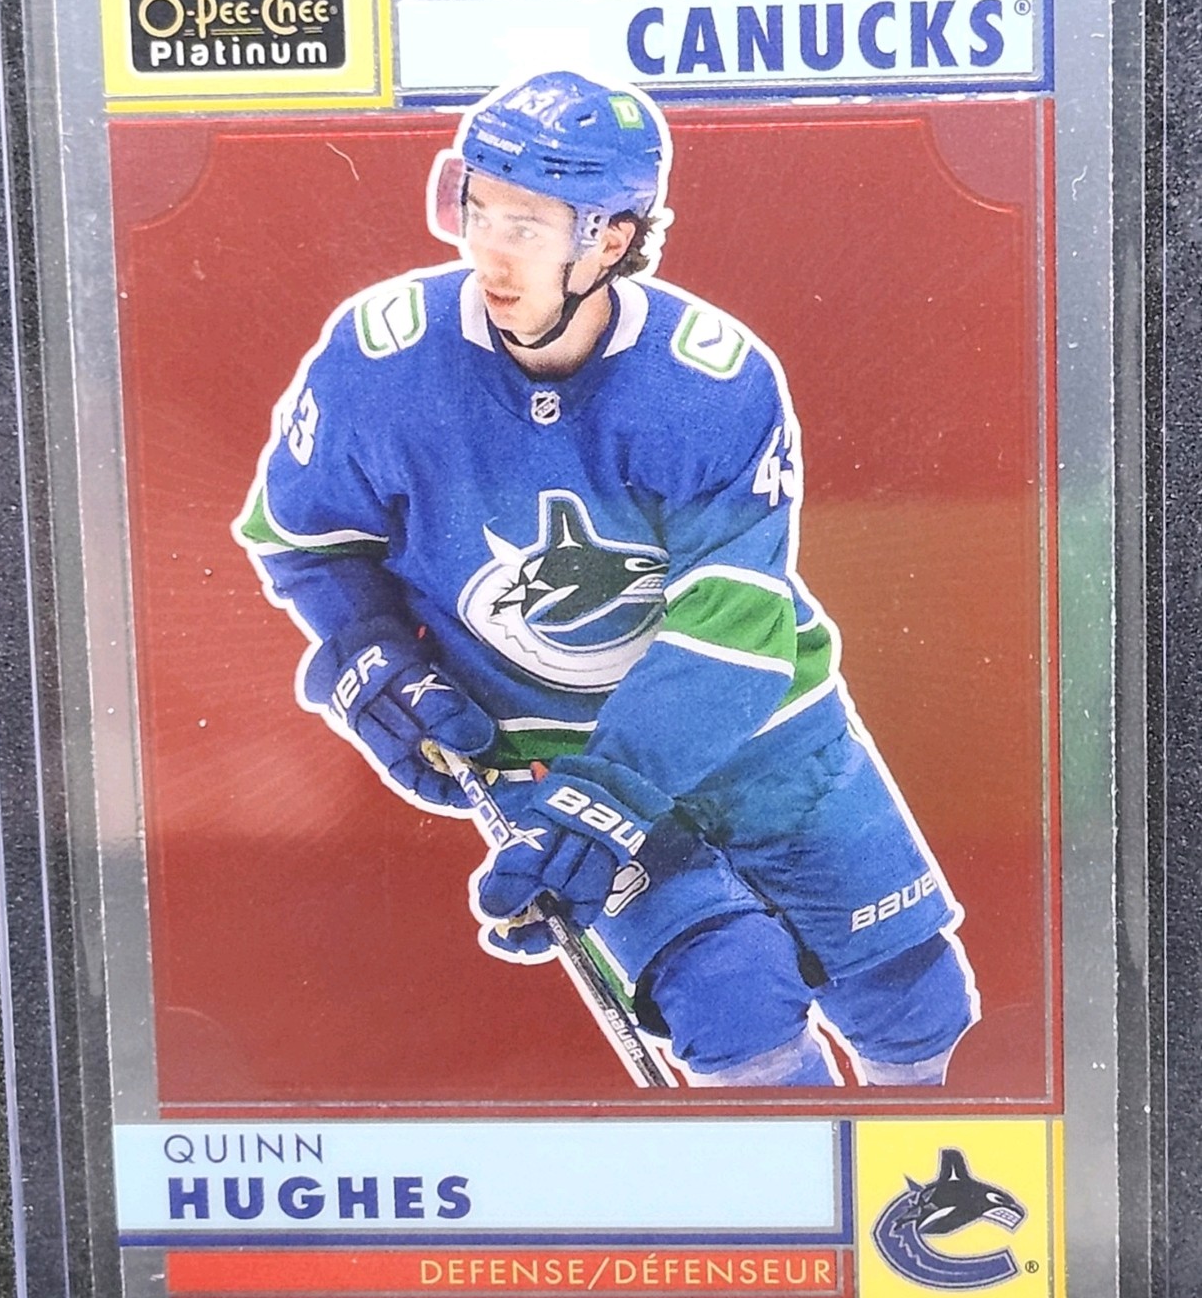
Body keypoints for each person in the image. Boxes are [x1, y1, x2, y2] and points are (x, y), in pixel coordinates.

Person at [235, 70, 978, 1087]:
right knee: (732, 999)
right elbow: (309, 538)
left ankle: (931, 1172)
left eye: (527, 225)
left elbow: (729, 630)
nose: (488, 250)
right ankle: (794, 1190)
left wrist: (610, 798)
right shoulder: (379, 360)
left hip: (762, 730)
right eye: (474, 207)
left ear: (612, 239)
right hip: (545, 751)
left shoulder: (710, 380)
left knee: (907, 991)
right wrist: (368, 645)